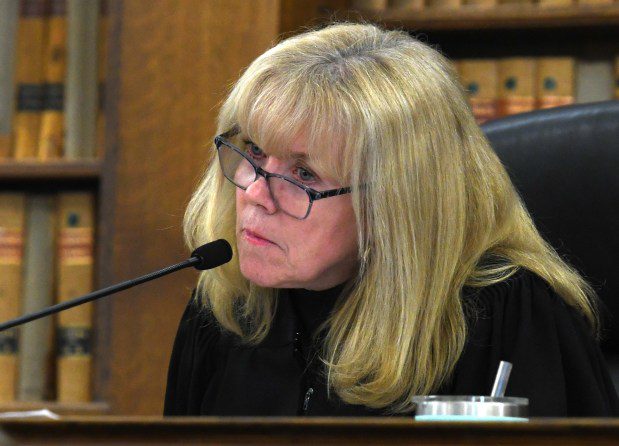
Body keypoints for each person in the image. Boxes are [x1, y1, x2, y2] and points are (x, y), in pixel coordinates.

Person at [163, 22, 619, 417]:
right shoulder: (228, 307)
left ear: (395, 202)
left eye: (304, 173)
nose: (256, 194)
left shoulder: (507, 318)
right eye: (255, 152)